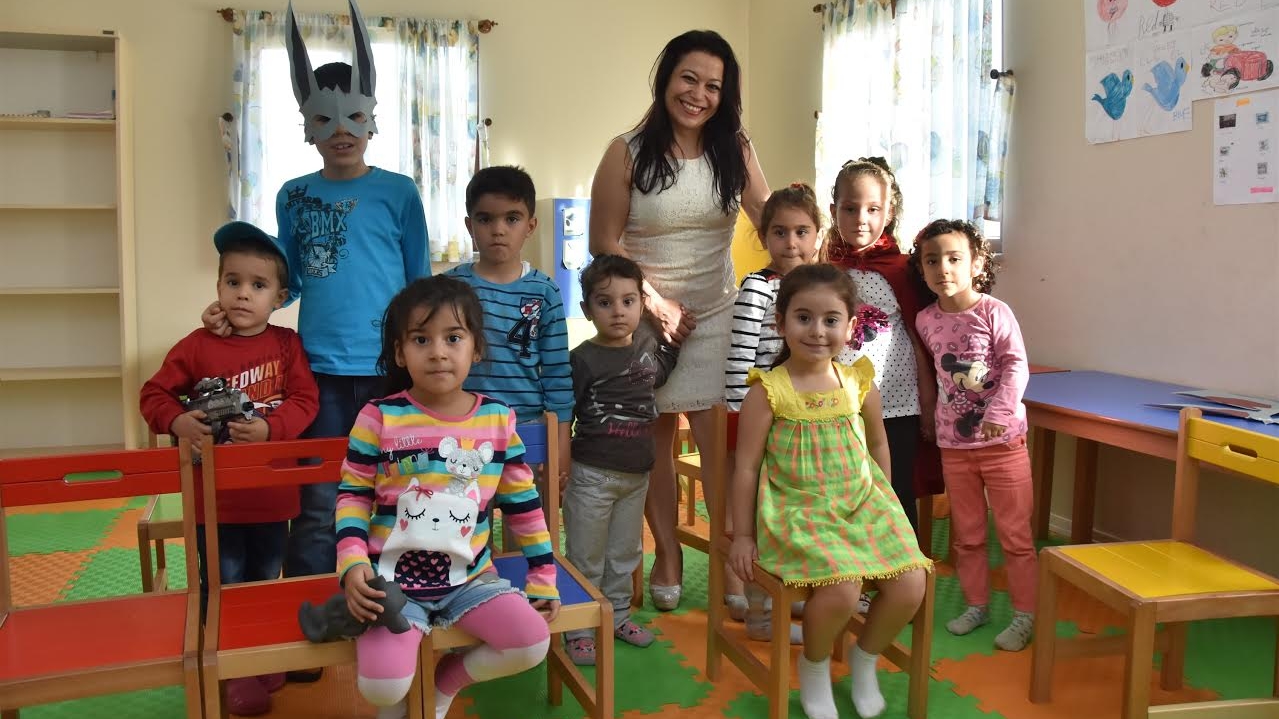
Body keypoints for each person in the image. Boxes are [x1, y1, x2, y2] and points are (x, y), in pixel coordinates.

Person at [202, 1, 431, 632]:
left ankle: (396, 610)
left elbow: (419, 285)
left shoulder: (399, 192)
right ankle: (311, 617)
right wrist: (233, 313)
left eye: (354, 116)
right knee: (317, 501)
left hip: (388, 372)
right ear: (306, 126)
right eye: (324, 119)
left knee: (397, 492)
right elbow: (286, 282)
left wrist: (421, 358)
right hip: (318, 375)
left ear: (372, 120)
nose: (341, 130)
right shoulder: (294, 194)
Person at [589, 29, 769, 611]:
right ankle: (667, 554)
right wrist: (655, 304)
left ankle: (731, 560)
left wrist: (813, 255)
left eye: (713, 85)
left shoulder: (734, 147)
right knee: (654, 444)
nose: (698, 94)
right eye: (688, 78)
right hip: (644, 318)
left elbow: (768, 216)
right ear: (666, 78)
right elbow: (604, 241)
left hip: (718, 314)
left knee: (722, 451)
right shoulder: (626, 151)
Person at [337, 276, 559, 719]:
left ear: (476, 348)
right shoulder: (378, 416)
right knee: (382, 688)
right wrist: (352, 564)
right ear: (401, 352)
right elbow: (353, 496)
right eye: (421, 339)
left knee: (532, 643)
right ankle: (402, 702)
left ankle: (442, 685)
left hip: (470, 581)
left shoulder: (498, 419)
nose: (438, 351)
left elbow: (524, 506)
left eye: (453, 338)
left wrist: (542, 574)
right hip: (391, 584)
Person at [729, 264, 930, 719]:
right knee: (842, 587)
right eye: (803, 317)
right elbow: (746, 467)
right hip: (798, 510)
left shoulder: (859, 383)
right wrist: (741, 534)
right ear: (780, 324)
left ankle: (865, 657)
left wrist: (886, 503)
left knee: (911, 583)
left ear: (850, 326)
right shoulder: (768, 391)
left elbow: (878, 444)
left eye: (831, 319)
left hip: (861, 504)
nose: (817, 331)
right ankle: (815, 664)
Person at [140, 221, 319, 716]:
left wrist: (271, 429)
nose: (243, 294)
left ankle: (260, 655)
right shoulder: (196, 345)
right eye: (233, 281)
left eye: (258, 285)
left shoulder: (287, 345)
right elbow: (153, 394)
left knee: (264, 578)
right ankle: (231, 667)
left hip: (272, 496)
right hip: (214, 499)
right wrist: (177, 420)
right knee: (223, 582)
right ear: (218, 285)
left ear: (279, 297)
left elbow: (306, 400)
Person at [911, 219, 1037, 652]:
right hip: (955, 447)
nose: (943, 268)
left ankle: (1025, 614)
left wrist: (1000, 412)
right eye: (932, 261)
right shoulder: (925, 319)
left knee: (1015, 536)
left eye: (953, 258)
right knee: (967, 535)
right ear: (922, 269)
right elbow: (932, 374)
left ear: (976, 263)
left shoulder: (994, 312)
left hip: (1003, 445)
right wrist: (931, 419)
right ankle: (976, 604)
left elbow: (1016, 365)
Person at [825, 157, 941, 611]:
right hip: (837, 404)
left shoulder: (902, 269)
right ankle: (847, 581)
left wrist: (927, 401)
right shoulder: (825, 265)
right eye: (850, 208)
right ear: (834, 210)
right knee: (843, 491)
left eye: (873, 209)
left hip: (897, 404)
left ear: (889, 211)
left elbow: (919, 336)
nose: (861, 219)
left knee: (895, 492)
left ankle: (902, 587)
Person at [562, 255, 680, 665]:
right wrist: (561, 462)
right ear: (587, 309)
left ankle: (617, 616)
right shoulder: (581, 359)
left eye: (628, 301)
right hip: (591, 475)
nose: (618, 311)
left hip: (636, 476)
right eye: (605, 302)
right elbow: (566, 412)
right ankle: (578, 629)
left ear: (641, 306)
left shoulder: (645, 350)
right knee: (586, 556)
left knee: (624, 554)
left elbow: (660, 372)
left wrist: (676, 340)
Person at [722, 182, 822, 642]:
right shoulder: (758, 287)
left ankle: (785, 591)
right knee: (761, 516)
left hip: (804, 423)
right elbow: (740, 359)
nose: (791, 243)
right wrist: (741, 419)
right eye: (779, 232)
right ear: (764, 237)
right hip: (763, 419)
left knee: (794, 514)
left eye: (802, 231)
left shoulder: (819, 287)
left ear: (817, 235)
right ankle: (761, 611)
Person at [445, 165, 573, 485]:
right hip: (461, 427)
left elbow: (558, 376)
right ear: (469, 225)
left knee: (527, 515)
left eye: (512, 219)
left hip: (526, 428)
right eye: (485, 219)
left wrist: (560, 447)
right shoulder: (449, 289)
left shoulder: (545, 292)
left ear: (530, 226)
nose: (498, 230)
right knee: (465, 514)